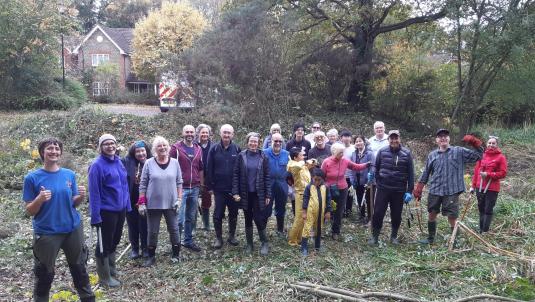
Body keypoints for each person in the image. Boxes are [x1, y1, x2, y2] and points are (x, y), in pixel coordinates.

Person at [24, 138, 95, 302]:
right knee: (44, 273)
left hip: (72, 229)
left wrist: (81, 197)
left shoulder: (69, 174)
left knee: (80, 269)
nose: (54, 151)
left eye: (57, 148)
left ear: (60, 153)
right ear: (42, 152)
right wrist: (40, 199)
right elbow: (30, 210)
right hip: (48, 232)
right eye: (50, 148)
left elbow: (73, 203)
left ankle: (88, 298)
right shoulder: (32, 178)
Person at [414, 129, 483, 244]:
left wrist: (475, 143)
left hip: (452, 190)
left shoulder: (459, 151)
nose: (443, 138)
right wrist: (419, 187)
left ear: (449, 139)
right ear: (437, 140)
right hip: (435, 189)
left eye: (445, 136)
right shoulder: (432, 155)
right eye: (440, 137)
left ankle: (455, 240)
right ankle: (431, 238)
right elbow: (426, 172)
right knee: (432, 213)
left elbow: (479, 156)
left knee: (452, 216)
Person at [88, 134, 130, 287]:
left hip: (120, 209)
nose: (110, 146)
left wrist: (128, 205)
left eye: (112, 143)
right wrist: (95, 216)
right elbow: (94, 193)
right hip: (106, 211)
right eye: (106, 144)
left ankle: (112, 269)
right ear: (100, 147)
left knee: (115, 240)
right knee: (104, 243)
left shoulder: (118, 161)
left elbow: (124, 185)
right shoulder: (97, 166)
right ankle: (104, 277)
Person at [138, 136, 183, 266]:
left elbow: (179, 182)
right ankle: (151, 257)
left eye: (164, 145)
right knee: (152, 231)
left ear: (168, 148)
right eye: (159, 146)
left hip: (171, 203)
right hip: (153, 204)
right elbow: (143, 184)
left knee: (174, 229)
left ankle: (176, 254)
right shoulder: (149, 163)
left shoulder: (175, 162)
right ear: (154, 149)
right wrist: (141, 202)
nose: (162, 148)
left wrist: (179, 199)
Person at [367, 130, 415, 246]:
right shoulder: (382, 151)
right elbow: (376, 167)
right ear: (388, 139)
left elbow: (411, 174)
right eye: (391, 138)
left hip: (399, 190)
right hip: (383, 189)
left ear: (400, 139)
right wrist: (376, 178)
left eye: (396, 138)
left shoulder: (406, 153)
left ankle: (393, 236)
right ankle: (375, 236)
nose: (394, 140)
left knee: (396, 214)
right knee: (378, 213)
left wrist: (409, 191)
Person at [232, 132, 272, 255]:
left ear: (259, 143)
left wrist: (268, 194)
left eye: (255, 141)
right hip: (245, 193)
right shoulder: (241, 156)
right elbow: (236, 175)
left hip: (258, 193)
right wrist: (235, 192)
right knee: (248, 218)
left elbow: (267, 176)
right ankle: (250, 244)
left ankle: (264, 242)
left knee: (259, 218)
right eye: (251, 141)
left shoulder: (263, 156)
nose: (253, 143)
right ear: (247, 142)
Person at [321, 143, 369, 240]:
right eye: (340, 153)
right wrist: (325, 185)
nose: (342, 155)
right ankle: (319, 230)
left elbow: (356, 167)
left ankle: (336, 231)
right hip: (329, 189)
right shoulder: (326, 162)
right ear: (333, 152)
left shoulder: (345, 160)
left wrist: (366, 164)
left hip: (342, 189)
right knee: (327, 209)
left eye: (343, 152)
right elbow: (321, 176)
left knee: (339, 211)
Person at [205, 124, 241, 249]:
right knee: (218, 214)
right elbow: (209, 168)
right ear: (220, 133)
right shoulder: (214, 149)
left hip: (233, 189)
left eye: (229, 133)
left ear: (233, 134)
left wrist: (239, 188)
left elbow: (241, 170)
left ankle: (231, 236)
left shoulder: (237, 149)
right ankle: (218, 238)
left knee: (234, 213)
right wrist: (209, 187)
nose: (226, 135)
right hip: (219, 189)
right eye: (224, 132)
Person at [170, 125, 204, 252]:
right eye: (187, 132)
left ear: (195, 134)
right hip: (180, 188)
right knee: (178, 218)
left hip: (194, 188)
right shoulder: (175, 149)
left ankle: (188, 240)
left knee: (190, 217)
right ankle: (176, 243)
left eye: (191, 132)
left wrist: (201, 184)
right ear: (182, 133)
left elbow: (200, 167)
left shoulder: (198, 149)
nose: (189, 134)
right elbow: (169, 166)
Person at [122, 140, 152, 260]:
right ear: (133, 153)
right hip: (130, 198)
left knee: (144, 224)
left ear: (146, 151)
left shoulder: (151, 161)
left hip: (145, 199)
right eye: (137, 151)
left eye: (142, 151)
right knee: (132, 224)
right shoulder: (126, 162)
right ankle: (135, 248)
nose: (140, 154)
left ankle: (145, 248)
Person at [471, 136, 507, 233]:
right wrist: (473, 186)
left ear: (497, 145)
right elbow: (476, 172)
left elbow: (503, 173)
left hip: (492, 189)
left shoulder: (501, 157)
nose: (491, 145)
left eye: (493, 143)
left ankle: (485, 231)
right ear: (487, 144)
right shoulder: (481, 156)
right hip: (479, 187)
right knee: (481, 208)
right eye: (489, 143)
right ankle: (480, 229)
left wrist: (489, 174)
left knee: (488, 209)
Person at [287, 148, 315, 246]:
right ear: (295, 157)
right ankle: (292, 240)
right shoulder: (292, 164)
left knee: (304, 217)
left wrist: (312, 161)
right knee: (299, 217)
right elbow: (297, 166)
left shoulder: (302, 164)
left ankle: (298, 238)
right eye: (301, 155)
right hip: (300, 194)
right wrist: (304, 162)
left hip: (307, 193)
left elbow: (313, 164)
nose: (303, 157)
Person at [301, 168, 332, 256]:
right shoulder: (309, 187)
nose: (317, 182)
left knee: (319, 228)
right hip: (310, 212)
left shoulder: (325, 187)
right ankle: (304, 247)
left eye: (319, 180)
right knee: (307, 228)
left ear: (323, 179)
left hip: (321, 212)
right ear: (312, 178)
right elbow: (305, 199)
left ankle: (317, 246)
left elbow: (328, 199)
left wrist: (328, 211)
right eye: (315, 180)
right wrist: (304, 212)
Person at [264, 133, 290, 236]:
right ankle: (263, 230)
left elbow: (292, 170)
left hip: (281, 184)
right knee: (266, 208)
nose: (278, 143)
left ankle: (280, 230)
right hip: (268, 184)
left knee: (281, 208)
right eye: (276, 141)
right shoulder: (264, 153)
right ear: (271, 141)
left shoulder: (286, 154)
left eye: (280, 141)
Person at [351, 135, 375, 224]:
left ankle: (370, 218)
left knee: (369, 200)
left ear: (364, 142)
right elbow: (351, 167)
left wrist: (371, 175)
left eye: (360, 141)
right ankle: (361, 216)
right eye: (356, 142)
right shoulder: (354, 154)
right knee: (360, 199)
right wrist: (352, 179)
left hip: (368, 180)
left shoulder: (369, 153)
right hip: (358, 180)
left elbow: (373, 165)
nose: (358, 143)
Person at [196, 124, 213, 231]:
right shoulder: (193, 146)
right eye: (203, 132)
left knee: (206, 202)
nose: (205, 134)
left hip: (208, 178)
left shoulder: (214, 146)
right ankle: (192, 226)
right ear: (198, 134)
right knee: (193, 203)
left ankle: (206, 224)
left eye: (206, 132)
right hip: (195, 178)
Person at [340, 130, 356, 217]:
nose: (346, 138)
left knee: (350, 194)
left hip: (351, 175)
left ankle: (349, 210)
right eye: (344, 136)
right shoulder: (339, 148)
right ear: (341, 138)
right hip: (341, 176)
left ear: (351, 138)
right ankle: (342, 210)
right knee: (341, 194)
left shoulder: (354, 148)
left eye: (348, 136)